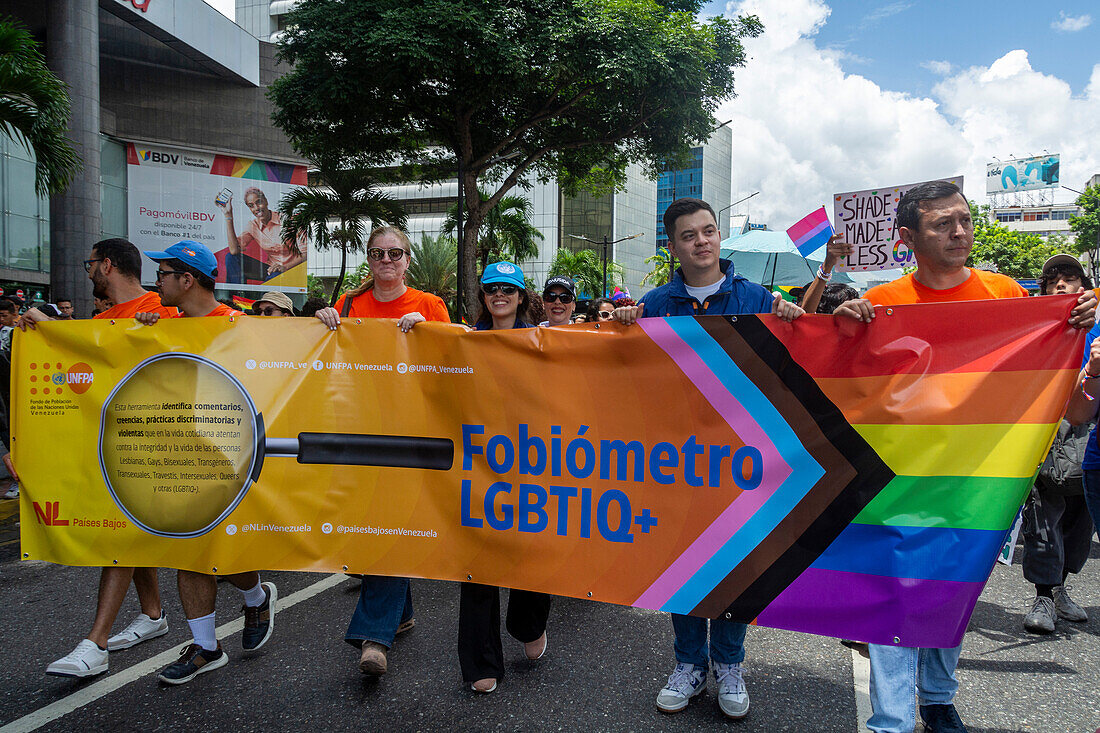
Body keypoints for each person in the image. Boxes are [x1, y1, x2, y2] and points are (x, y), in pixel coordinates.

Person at [834, 182, 1096, 733]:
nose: (960, 233)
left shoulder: (1010, 297)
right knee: (895, 594)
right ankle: (892, 719)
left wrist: (1077, 338)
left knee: (953, 588)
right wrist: (841, 330)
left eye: (964, 220)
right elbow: (840, 389)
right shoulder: (880, 306)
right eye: (942, 224)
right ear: (906, 238)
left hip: (979, 481)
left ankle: (937, 695)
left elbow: (1068, 405)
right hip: (898, 481)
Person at [612, 197, 805, 720]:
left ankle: (729, 664)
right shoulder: (655, 305)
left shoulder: (758, 298)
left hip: (746, 458)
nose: (702, 241)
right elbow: (626, 369)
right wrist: (626, 324)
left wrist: (793, 318)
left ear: (719, 236)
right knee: (686, 561)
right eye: (690, 235)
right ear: (672, 246)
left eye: (709, 231)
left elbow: (800, 357)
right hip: (679, 460)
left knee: (739, 561)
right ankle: (688, 664)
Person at [14, 238, 174, 678]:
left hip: (158, 444)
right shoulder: (103, 319)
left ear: (105, 265)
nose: (88, 273)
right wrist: (43, 325)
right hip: (115, 443)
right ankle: (154, 613)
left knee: (117, 534)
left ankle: (95, 642)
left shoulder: (165, 309)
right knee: (129, 530)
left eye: (89, 265)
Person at [135, 240, 277, 685]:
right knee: (189, 546)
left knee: (216, 546)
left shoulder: (239, 324)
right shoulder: (163, 323)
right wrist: (140, 330)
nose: (156, 281)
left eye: (163, 273)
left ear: (187, 279)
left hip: (229, 453)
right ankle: (207, 646)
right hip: (177, 453)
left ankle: (254, 596)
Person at [313, 226, 449, 677]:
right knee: (380, 524)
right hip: (362, 431)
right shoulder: (351, 304)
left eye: (395, 253)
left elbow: (456, 363)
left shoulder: (430, 305)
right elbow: (320, 354)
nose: (386, 261)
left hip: (411, 434)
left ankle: (374, 635)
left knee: (384, 520)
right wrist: (320, 323)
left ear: (408, 259)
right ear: (367, 259)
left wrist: (429, 334)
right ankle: (401, 611)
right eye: (377, 253)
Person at [461, 261, 551, 693]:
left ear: (520, 297)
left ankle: (528, 624)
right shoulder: (463, 340)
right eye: (491, 288)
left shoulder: (544, 341)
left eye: (508, 289)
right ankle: (481, 662)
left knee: (528, 554)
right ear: (483, 297)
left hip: (533, 463)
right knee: (478, 564)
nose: (500, 295)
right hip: (477, 466)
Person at [1020, 254, 1094, 634]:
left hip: (1090, 427)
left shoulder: (1096, 328)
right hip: (1048, 427)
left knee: (1082, 518)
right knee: (1044, 514)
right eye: (1053, 281)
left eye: (1069, 279)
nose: (1062, 286)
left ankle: (1061, 587)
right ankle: (1044, 595)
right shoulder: (1036, 326)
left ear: (1084, 287)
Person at [216, 187, 305, 282]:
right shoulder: (253, 226)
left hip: (290, 269)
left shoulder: (288, 220)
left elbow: (305, 253)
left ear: (266, 201)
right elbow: (234, 250)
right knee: (231, 257)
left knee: (273, 278)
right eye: (251, 205)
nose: (256, 208)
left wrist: (285, 267)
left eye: (259, 202)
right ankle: (235, 295)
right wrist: (228, 215)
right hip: (271, 269)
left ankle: (265, 295)